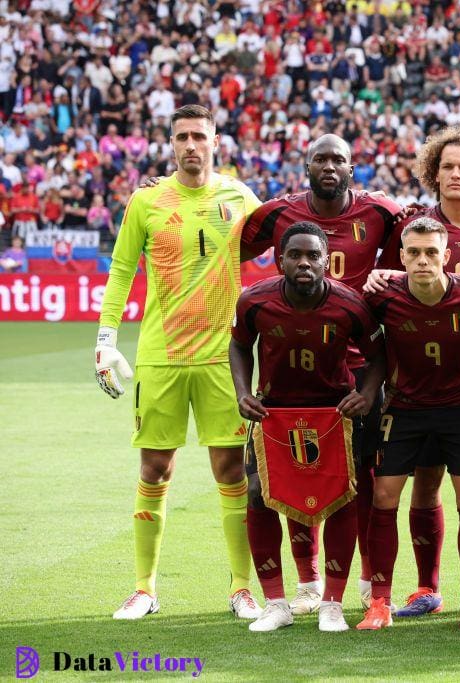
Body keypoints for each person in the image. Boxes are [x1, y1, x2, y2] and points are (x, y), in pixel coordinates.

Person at [95, 105, 263, 621]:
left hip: (221, 357)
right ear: (171, 144)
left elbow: (289, 244)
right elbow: (122, 268)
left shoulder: (240, 197)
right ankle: (144, 588)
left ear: (216, 140)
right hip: (160, 356)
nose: (191, 144)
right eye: (181, 136)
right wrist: (105, 338)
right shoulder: (146, 201)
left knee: (231, 469)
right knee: (154, 467)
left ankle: (241, 588)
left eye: (199, 135)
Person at [241, 133, 404, 615]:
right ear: (306, 165)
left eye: (339, 159)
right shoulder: (276, 215)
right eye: (320, 159)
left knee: (364, 481)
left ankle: (367, 579)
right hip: (291, 369)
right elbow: (227, 240)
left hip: (356, 367)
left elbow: (423, 228)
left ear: (353, 168)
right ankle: (309, 580)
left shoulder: (381, 211)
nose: (329, 166)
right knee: (290, 478)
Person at [371, 125, 460, 619]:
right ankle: (425, 587)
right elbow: (387, 279)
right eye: (447, 167)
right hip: (422, 377)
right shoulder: (413, 226)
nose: (456, 175)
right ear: (433, 174)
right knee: (427, 479)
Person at [229, 222, 384, 632]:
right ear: (280, 260)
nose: (303, 262)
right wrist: (243, 391)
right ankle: (276, 603)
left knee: (342, 498)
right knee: (260, 497)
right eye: (294, 255)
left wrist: (366, 394)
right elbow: (240, 346)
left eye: (312, 256)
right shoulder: (254, 301)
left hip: (333, 415)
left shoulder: (350, 304)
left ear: (325, 261)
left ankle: (331, 603)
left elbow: (377, 356)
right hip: (273, 413)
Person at [358, 217, 460, 632]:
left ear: (446, 256)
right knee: (383, 496)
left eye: (431, 252)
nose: (422, 260)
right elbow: (352, 325)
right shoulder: (382, 298)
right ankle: (379, 603)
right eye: (413, 252)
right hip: (404, 410)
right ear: (400, 258)